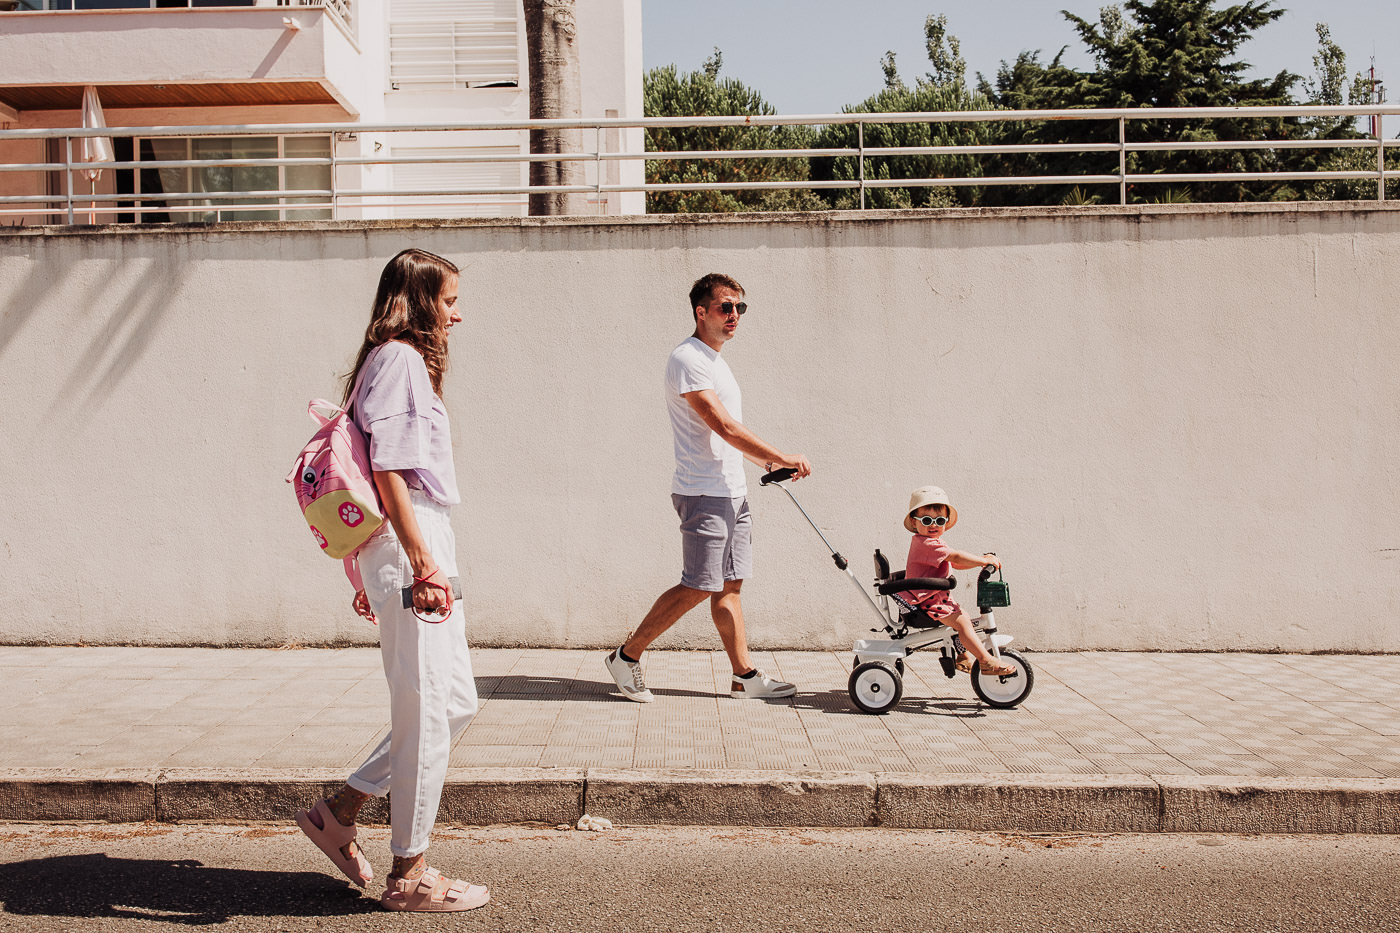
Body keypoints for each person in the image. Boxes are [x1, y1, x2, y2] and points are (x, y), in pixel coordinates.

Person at [293, 248, 489, 913]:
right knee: (431, 707)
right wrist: (418, 561)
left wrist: (375, 562)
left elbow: (364, 467)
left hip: (403, 543)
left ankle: (341, 810)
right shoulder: (402, 360)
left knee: (448, 700)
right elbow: (389, 475)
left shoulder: (380, 361)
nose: (459, 315)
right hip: (415, 541)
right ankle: (410, 874)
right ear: (422, 300)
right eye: (451, 300)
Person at [604, 273, 812, 702]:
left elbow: (728, 436)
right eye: (725, 307)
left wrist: (766, 465)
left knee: (730, 586)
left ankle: (744, 677)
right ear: (701, 311)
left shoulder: (716, 359)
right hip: (703, 492)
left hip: (732, 491)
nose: (734, 315)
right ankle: (626, 658)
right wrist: (779, 456)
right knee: (699, 584)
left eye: (740, 308)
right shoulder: (687, 359)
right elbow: (722, 425)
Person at [902, 485, 1017, 677]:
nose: (933, 525)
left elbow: (956, 564)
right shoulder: (927, 544)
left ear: (946, 522)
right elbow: (955, 557)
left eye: (939, 520)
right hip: (926, 601)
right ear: (915, 523)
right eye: (927, 520)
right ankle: (986, 661)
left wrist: (979, 563)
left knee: (963, 617)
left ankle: (962, 655)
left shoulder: (933, 542)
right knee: (963, 623)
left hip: (935, 597)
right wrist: (984, 560)